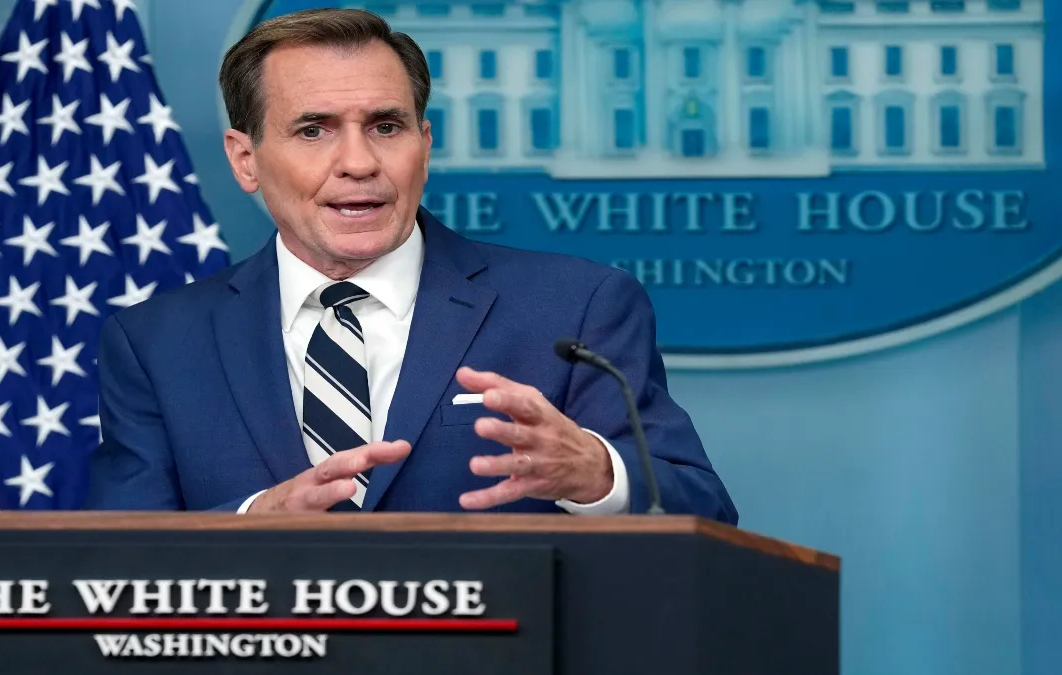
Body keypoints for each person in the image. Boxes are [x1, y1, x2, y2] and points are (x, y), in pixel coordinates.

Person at [84, 8, 737, 522]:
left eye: (386, 127)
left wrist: (596, 474)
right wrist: (253, 520)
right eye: (313, 130)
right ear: (245, 159)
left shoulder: (576, 308)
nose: (359, 162)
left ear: (424, 144)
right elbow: (111, 559)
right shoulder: (156, 343)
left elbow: (700, 509)